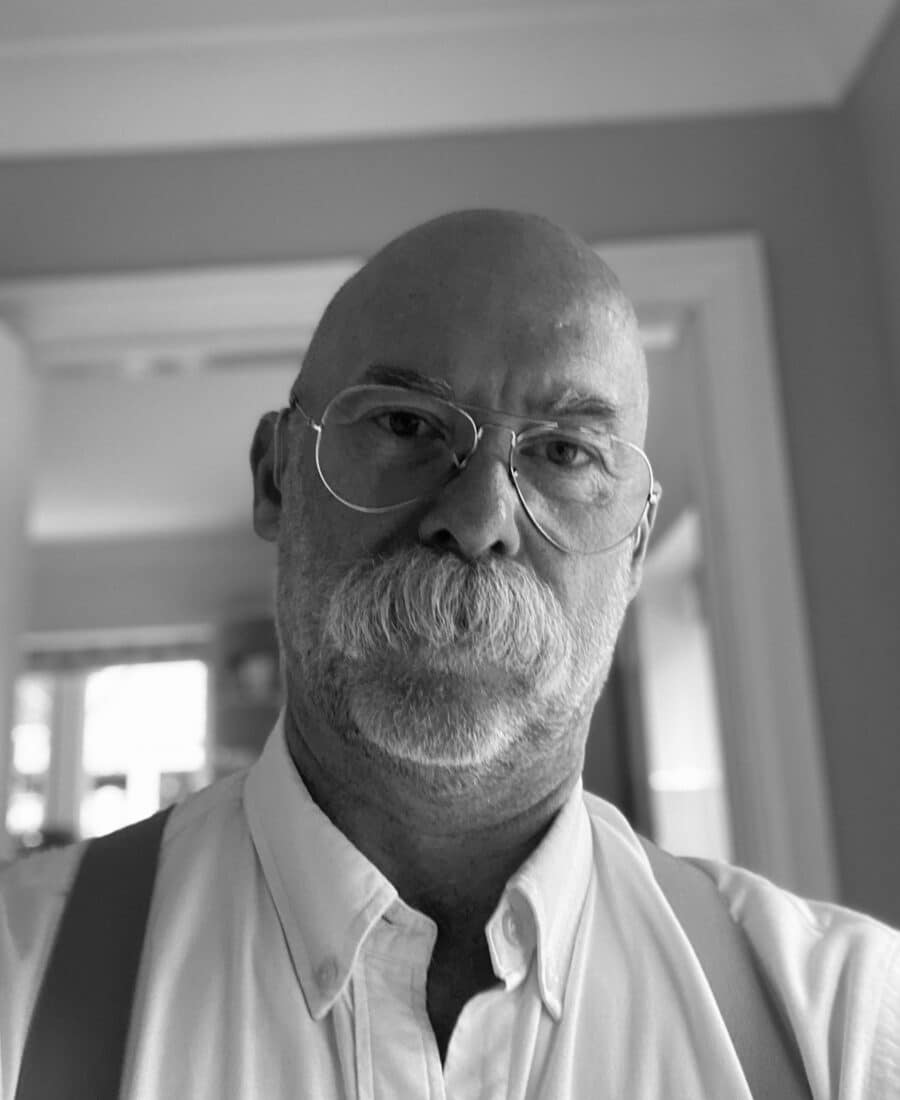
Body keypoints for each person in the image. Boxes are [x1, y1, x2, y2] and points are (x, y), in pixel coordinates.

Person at [1, 209, 898, 1098]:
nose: (477, 521)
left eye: (564, 450)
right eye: (403, 424)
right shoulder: (18, 981)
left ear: (635, 547)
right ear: (278, 477)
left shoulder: (851, 1030)